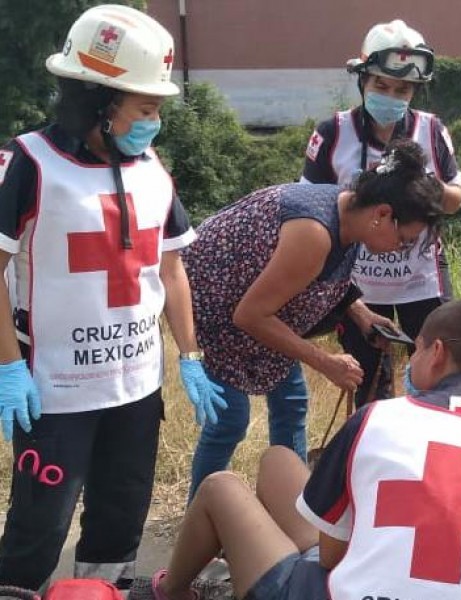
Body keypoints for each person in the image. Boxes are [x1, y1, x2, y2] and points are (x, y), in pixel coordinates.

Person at [139, 299, 461, 600]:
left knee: (223, 486)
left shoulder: (376, 418)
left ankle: (173, 591)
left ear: (435, 353)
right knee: (279, 460)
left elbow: (331, 559)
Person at [0, 4, 224, 591]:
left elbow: (170, 269)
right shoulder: (31, 164)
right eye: (146, 108)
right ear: (96, 100)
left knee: (119, 522)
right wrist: (6, 368)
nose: (155, 122)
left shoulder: (154, 169)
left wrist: (191, 356)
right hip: (53, 392)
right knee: (38, 526)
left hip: (135, 389)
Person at [184, 139, 445, 500]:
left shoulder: (347, 213)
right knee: (229, 419)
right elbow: (250, 315)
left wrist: (362, 313)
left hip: (259, 308)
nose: (400, 248)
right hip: (215, 308)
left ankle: (292, 507)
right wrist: (325, 362)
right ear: (382, 214)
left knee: (291, 403)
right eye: (403, 239)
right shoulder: (313, 232)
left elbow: (320, 276)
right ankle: (202, 513)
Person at [301, 19, 461, 408]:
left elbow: (456, 197)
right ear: (363, 82)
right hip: (358, 284)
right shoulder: (333, 133)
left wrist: (422, 184)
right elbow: (310, 211)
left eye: (403, 89)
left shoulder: (431, 130)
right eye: (381, 86)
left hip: (422, 280)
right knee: (370, 388)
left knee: (440, 378)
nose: (391, 95)